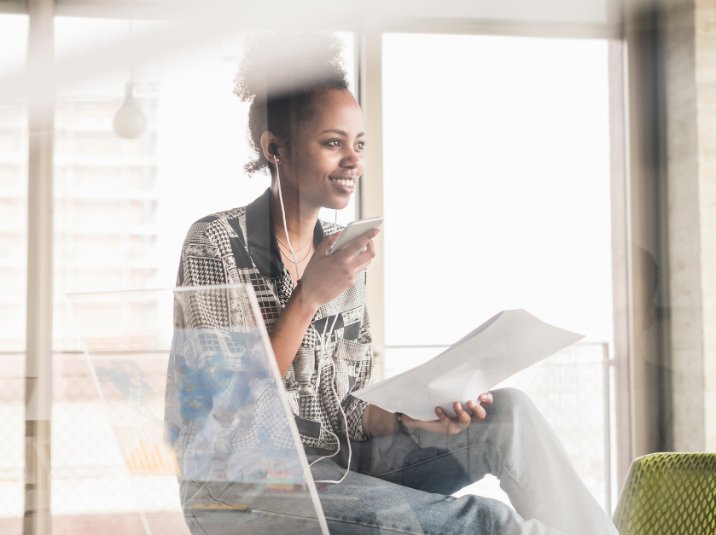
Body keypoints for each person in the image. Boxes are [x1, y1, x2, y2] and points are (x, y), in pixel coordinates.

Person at [168, 32, 618, 535]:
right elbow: (229, 407)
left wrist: (416, 417)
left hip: (339, 469)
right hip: (241, 488)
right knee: (490, 522)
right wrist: (309, 296)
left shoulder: (342, 250)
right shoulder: (214, 243)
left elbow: (352, 412)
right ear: (276, 148)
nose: (354, 161)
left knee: (508, 414)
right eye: (333, 143)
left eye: (358, 144)